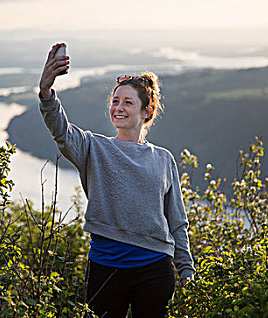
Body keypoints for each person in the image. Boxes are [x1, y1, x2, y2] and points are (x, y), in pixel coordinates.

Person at [38, 43, 194, 318]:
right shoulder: (94, 147)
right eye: (115, 101)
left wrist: (186, 270)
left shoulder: (163, 159)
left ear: (147, 112)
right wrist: (46, 93)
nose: (118, 108)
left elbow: (176, 220)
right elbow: (61, 131)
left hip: (154, 269)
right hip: (105, 269)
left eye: (128, 102)